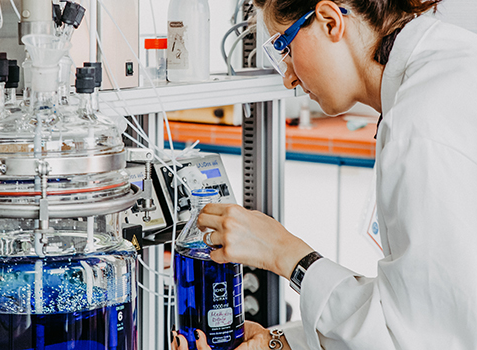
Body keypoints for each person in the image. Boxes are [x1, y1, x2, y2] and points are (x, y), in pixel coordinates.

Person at [171, 0, 477, 349]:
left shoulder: (422, 126)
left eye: (283, 48)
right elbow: (408, 310)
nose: (289, 78)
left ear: (331, 21)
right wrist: (278, 342)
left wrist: (285, 252)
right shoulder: (443, 71)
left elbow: (417, 340)